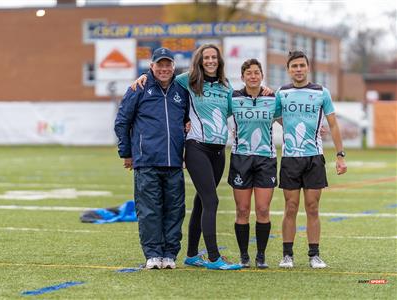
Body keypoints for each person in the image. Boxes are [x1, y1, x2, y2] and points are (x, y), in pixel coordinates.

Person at [132, 44, 241, 270]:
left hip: (219, 151)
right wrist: (142, 77)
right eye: (206, 57)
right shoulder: (187, 80)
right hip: (196, 148)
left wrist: (265, 91)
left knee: (201, 201)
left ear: (219, 61)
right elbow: (162, 76)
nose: (210, 61)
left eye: (214, 57)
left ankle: (191, 255)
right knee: (212, 200)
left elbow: (231, 109)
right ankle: (214, 258)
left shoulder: (226, 85)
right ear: (199, 61)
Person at [114, 47, 190, 270]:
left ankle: (169, 254)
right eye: (160, 65)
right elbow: (122, 122)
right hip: (146, 161)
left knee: (174, 210)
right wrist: (126, 153)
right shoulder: (138, 88)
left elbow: (187, 122)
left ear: (173, 67)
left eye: (168, 65)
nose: (164, 69)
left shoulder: (181, 90)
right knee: (149, 211)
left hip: (174, 162)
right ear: (152, 66)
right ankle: (153, 253)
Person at [275, 50, 347, 269]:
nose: (298, 69)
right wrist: (290, 127)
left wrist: (340, 155)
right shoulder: (281, 93)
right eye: (294, 66)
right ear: (288, 69)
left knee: (313, 207)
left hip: (314, 157)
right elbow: (276, 116)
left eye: (301, 66)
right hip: (290, 158)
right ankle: (287, 255)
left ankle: (314, 255)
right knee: (291, 207)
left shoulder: (321, 92)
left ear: (308, 68)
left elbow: (333, 124)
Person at [228, 59, 279, 269]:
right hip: (241, 157)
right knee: (242, 209)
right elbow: (212, 114)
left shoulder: (272, 98)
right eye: (249, 73)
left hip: (266, 159)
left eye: (257, 72)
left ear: (262, 75)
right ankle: (243, 256)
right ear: (242, 77)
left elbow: (288, 120)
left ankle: (261, 256)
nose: (253, 76)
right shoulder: (234, 98)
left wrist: (318, 128)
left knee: (263, 209)